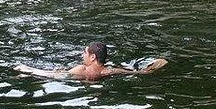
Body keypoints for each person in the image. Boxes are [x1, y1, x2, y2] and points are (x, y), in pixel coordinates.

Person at [14, 41, 168, 81]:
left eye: (85, 52)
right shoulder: (109, 70)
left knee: (56, 71)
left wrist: (28, 70)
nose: (82, 55)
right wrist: (159, 63)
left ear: (93, 57)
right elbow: (142, 72)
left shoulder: (82, 69)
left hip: (81, 83)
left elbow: (54, 76)